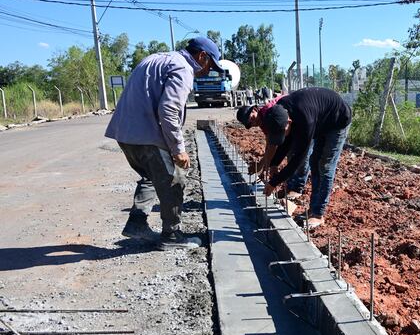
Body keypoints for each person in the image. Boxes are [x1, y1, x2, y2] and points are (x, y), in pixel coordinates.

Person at [105, 37, 224, 249]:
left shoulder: (157, 58)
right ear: (202, 56)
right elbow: (168, 110)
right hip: (147, 135)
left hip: (125, 134)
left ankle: (136, 223)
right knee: (174, 181)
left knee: (150, 176)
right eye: (210, 66)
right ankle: (171, 235)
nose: (208, 71)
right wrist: (178, 150)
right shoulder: (183, 68)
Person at [236, 87, 351, 229]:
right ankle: (313, 209)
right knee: (315, 162)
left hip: (337, 120)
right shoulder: (280, 112)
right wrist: (274, 164)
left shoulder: (305, 121)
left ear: (289, 122)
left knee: (324, 165)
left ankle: (317, 214)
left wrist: (274, 182)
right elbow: (286, 142)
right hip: (321, 118)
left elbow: (298, 159)